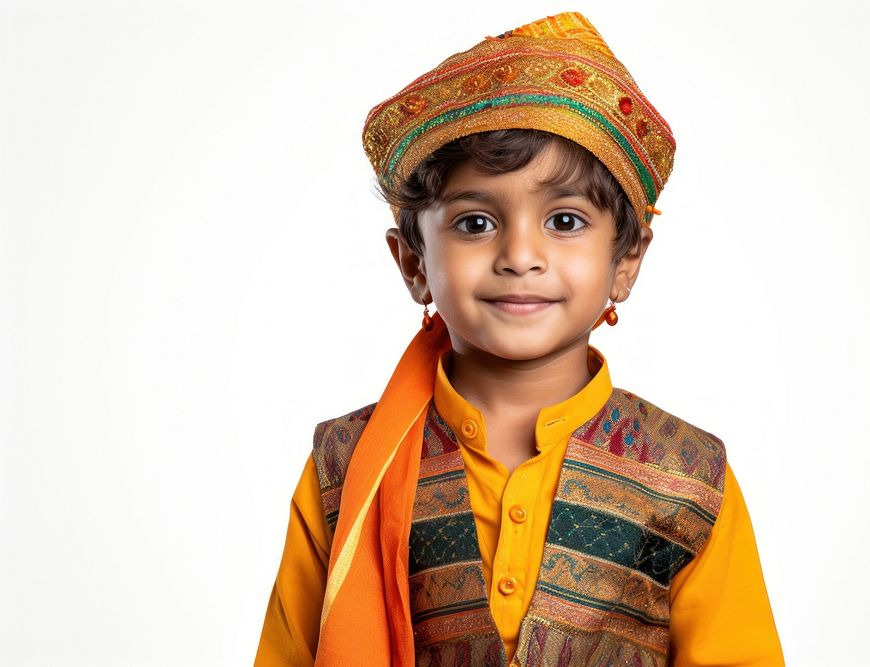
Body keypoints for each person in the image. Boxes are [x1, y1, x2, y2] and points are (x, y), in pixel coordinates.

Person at [255, 11, 783, 667]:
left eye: (565, 220)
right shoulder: (346, 466)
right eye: (476, 222)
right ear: (414, 262)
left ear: (626, 261)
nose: (520, 254)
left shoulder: (687, 477)